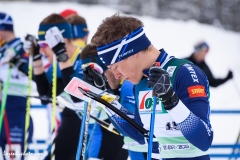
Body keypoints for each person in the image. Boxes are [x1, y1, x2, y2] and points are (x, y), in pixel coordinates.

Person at [89, 13, 213, 159]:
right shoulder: (140, 84)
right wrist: (103, 97)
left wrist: (171, 100)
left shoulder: (184, 72)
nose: (116, 75)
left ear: (131, 53)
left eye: (116, 67)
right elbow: (139, 134)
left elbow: (204, 140)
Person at [25, 13, 84, 160]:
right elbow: (46, 95)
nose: (43, 50)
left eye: (44, 45)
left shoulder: (84, 58)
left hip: (97, 127)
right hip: (73, 121)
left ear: (60, 40)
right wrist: (36, 58)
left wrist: (60, 53)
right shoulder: (56, 64)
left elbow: (78, 96)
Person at [80, 44, 130, 160]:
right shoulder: (109, 86)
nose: (103, 80)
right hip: (107, 135)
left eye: (103, 72)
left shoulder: (129, 83)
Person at [0, 12, 34, 159]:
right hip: (3, 103)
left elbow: (33, 72)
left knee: (13, 150)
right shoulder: (3, 49)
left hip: (16, 103)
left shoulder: (22, 47)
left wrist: (18, 61)